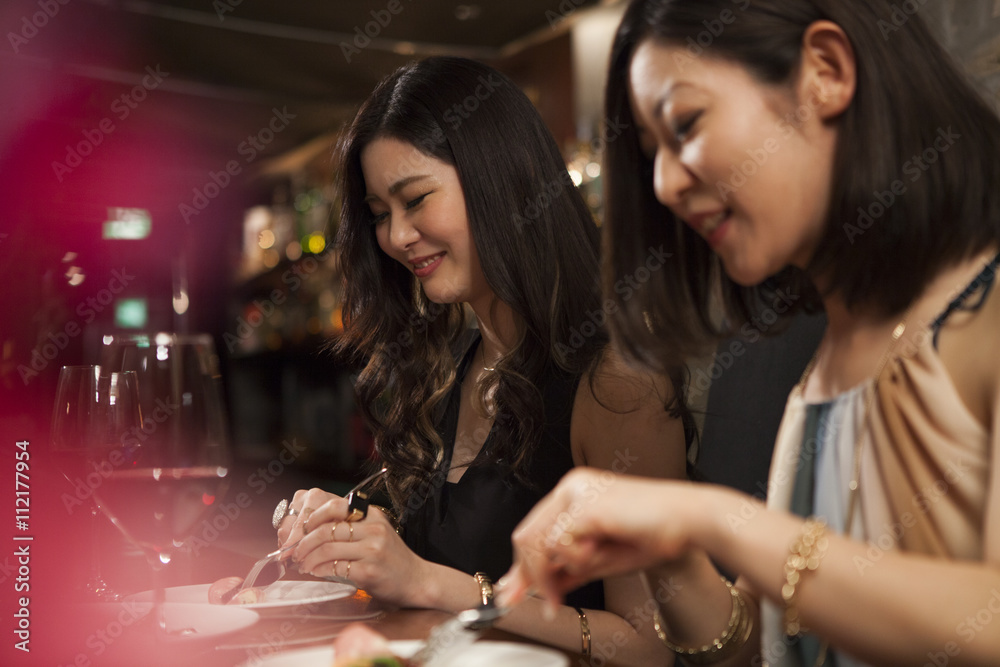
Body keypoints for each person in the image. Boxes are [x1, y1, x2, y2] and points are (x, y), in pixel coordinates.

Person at [498, 1, 1000, 666]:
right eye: (652, 153)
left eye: (686, 125)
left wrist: (709, 521)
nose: (667, 184)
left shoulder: (982, 308)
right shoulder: (825, 363)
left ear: (826, 70)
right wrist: (670, 554)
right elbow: (766, 646)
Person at [275, 56, 693, 664]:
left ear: (502, 179)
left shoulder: (617, 379)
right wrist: (348, 527)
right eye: (380, 215)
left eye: (415, 199)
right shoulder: (450, 366)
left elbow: (648, 647)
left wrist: (429, 583)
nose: (396, 236)